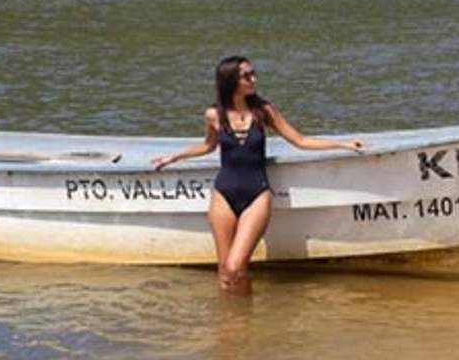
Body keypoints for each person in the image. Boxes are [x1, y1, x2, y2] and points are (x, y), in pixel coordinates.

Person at [152, 54, 363, 289]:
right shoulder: (214, 115)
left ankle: (243, 318)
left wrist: (343, 144)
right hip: (223, 193)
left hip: (257, 194)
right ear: (231, 80)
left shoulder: (264, 111)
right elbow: (208, 146)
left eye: (253, 73)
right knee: (226, 273)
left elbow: (300, 140)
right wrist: (174, 156)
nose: (254, 79)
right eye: (247, 75)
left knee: (234, 266)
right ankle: (235, 322)